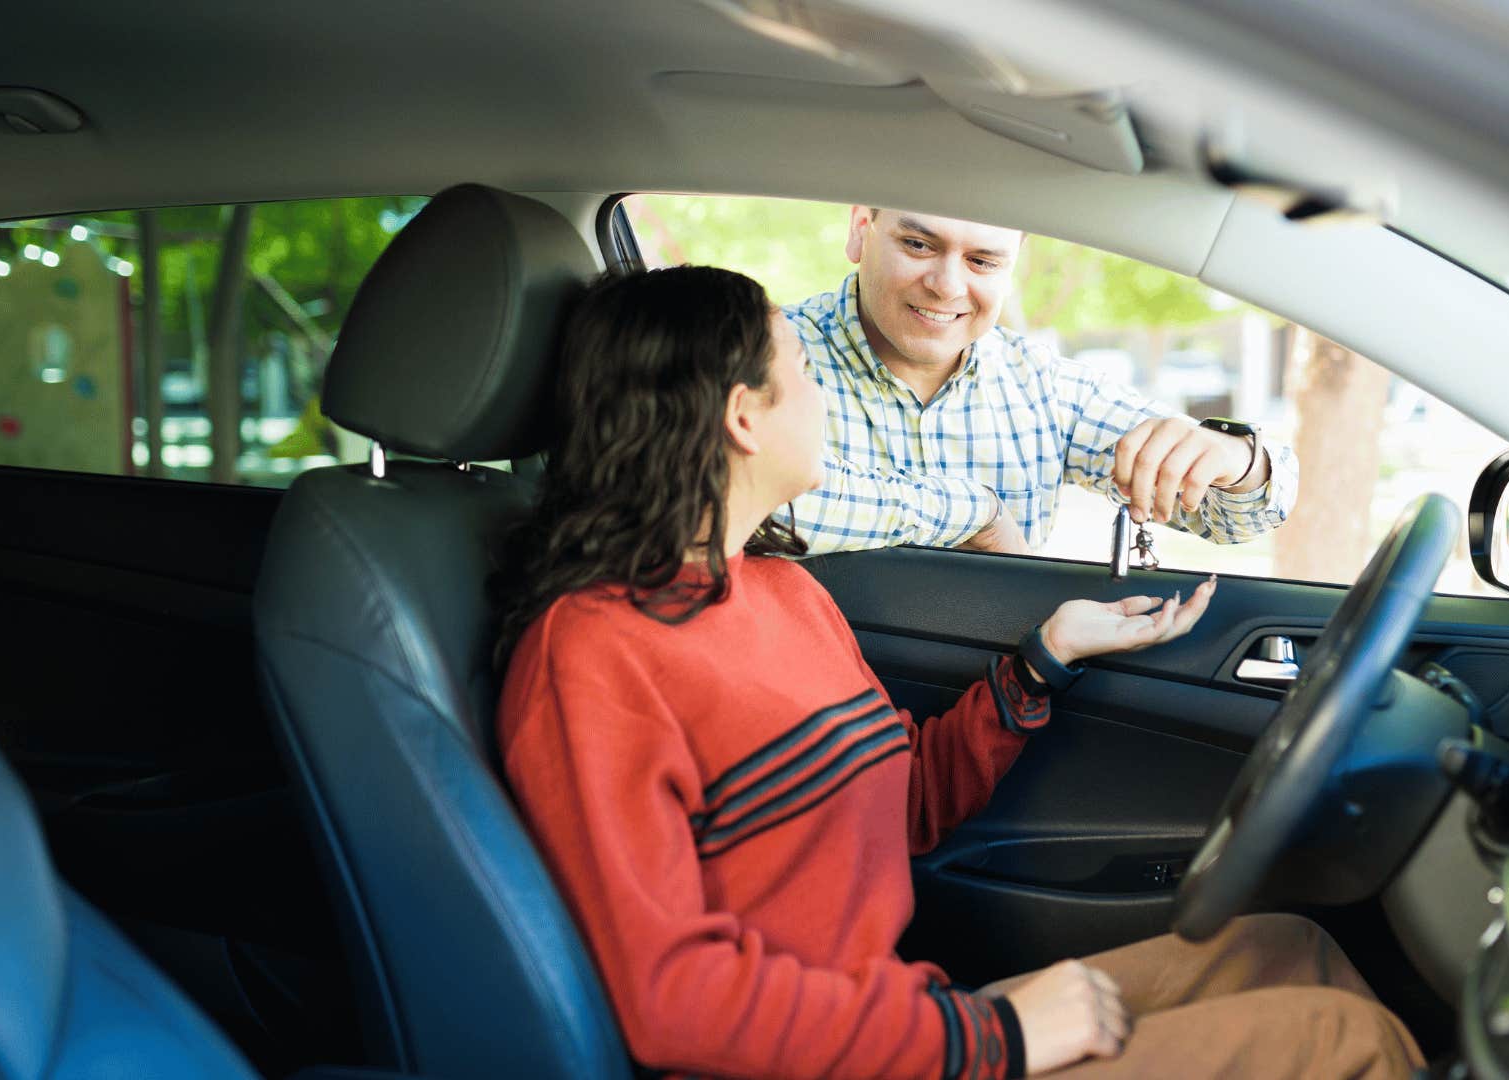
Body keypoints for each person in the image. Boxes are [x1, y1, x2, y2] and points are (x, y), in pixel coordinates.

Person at [493, 266, 1419, 1078]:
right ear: (743, 417)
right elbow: (671, 1000)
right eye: (806, 375)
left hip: (898, 1024)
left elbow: (901, 810)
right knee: (1342, 1045)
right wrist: (995, 1037)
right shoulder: (592, 656)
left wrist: (1045, 659)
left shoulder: (783, 592)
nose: (823, 393)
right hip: (837, 1059)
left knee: (1285, 950)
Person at [781, 207, 1299, 556]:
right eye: (917, 245)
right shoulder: (764, 355)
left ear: (1011, 267)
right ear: (859, 228)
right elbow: (743, 501)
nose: (946, 286)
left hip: (996, 700)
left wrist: (1237, 461)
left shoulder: (1044, 388)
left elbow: (1238, 520)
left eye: (982, 260)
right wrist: (978, 513)